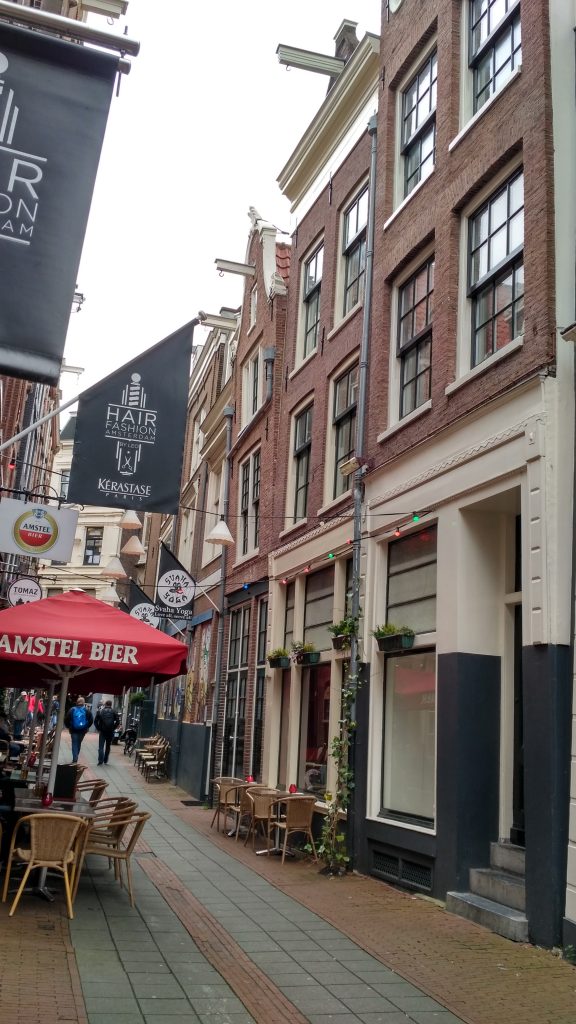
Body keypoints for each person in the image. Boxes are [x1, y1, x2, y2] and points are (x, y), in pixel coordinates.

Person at [64, 696, 93, 764]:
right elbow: (91, 720)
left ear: (77, 702)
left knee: (74, 743)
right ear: (83, 703)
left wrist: (69, 726)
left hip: (73, 730)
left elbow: (66, 719)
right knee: (79, 743)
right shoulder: (87, 710)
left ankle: (75, 759)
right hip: (83, 730)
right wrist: (87, 727)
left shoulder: (72, 710)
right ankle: (76, 756)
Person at [94, 700, 120, 766]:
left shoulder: (101, 711)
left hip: (102, 731)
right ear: (111, 704)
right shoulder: (114, 711)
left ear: (105, 704)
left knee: (101, 746)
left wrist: (98, 728)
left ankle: (100, 761)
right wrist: (113, 728)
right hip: (110, 731)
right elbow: (118, 722)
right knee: (108, 746)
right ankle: (105, 760)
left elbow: (95, 721)